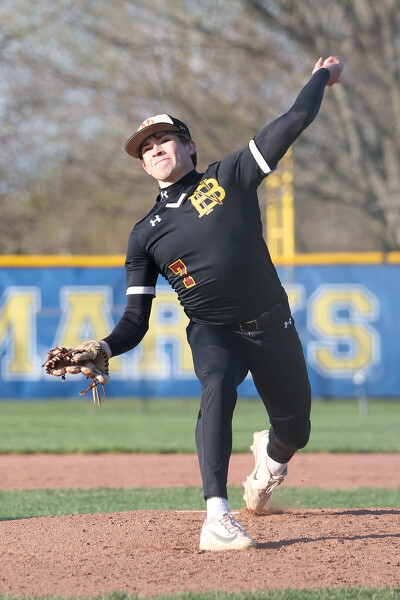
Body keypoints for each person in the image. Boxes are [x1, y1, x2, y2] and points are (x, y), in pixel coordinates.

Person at [94, 56, 344, 550]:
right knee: (216, 384)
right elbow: (135, 320)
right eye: (145, 147)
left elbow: (293, 120)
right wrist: (105, 346)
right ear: (143, 165)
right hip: (214, 329)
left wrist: (322, 76)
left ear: (189, 145)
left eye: (164, 138)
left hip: (272, 324)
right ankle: (216, 516)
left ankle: (269, 461)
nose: (154, 148)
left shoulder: (228, 175)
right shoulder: (144, 236)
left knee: (295, 431)